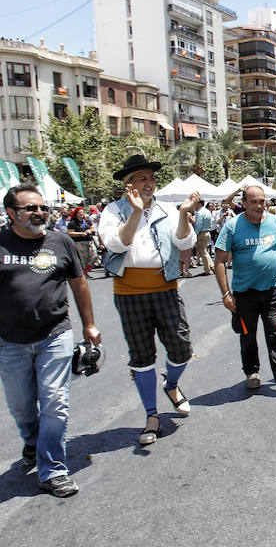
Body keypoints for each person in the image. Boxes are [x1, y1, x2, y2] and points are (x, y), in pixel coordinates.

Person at [1, 183, 101, 497]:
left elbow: (79, 283)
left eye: (42, 207)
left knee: (55, 403)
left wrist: (89, 324)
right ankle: (32, 441)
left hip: (54, 335)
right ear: (11, 213)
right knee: (21, 407)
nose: (40, 213)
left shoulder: (60, 242)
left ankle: (53, 470)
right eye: (30, 208)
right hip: (9, 340)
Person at [98, 154, 201, 446]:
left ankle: (171, 384)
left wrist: (183, 214)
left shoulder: (168, 209)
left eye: (151, 178)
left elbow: (185, 243)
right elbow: (117, 244)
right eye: (142, 178)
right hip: (129, 292)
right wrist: (135, 212)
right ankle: (151, 415)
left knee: (181, 348)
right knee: (142, 357)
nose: (149, 183)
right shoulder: (113, 211)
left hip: (165, 288)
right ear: (128, 184)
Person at [213, 185, 276, 393]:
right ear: (244, 203)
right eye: (254, 201)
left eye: (262, 201)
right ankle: (252, 372)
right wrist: (226, 294)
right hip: (244, 294)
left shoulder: (275, 223)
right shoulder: (232, 227)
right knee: (247, 335)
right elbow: (219, 261)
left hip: (273, 291)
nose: (259, 205)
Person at [67, 206, 100, 274]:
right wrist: (81, 233)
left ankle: (87, 268)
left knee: (95, 255)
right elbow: (70, 233)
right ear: (76, 213)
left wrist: (90, 231)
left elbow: (93, 229)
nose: (81, 213)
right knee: (83, 258)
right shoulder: (73, 223)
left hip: (89, 241)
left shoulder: (87, 221)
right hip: (79, 242)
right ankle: (84, 273)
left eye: (83, 212)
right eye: (80, 212)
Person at [192, 198, 214, 276]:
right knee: (205, 251)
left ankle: (207, 269)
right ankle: (211, 266)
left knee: (202, 251)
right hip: (207, 232)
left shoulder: (199, 212)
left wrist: (195, 234)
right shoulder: (207, 211)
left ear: (199, 203)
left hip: (201, 233)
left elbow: (198, 225)